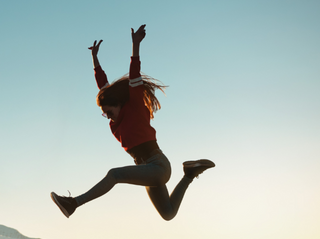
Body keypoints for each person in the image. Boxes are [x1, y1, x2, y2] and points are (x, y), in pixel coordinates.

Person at [50, 24, 215, 221]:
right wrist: (95, 60)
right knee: (168, 213)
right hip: (144, 169)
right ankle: (189, 174)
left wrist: (135, 45)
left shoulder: (135, 106)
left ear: (119, 103)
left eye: (109, 112)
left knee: (114, 175)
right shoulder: (115, 121)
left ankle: (74, 203)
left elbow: (135, 74)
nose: (108, 117)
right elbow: (104, 87)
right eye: (104, 114)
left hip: (158, 166)